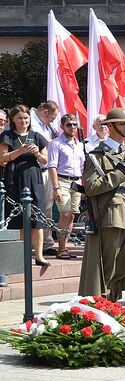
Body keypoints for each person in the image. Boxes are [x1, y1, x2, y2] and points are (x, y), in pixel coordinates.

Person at [78, 108, 125, 300]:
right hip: (111, 216)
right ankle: (103, 304)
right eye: (122, 123)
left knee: (121, 267)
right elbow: (91, 187)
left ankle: (112, 303)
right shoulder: (97, 155)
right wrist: (117, 174)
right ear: (110, 126)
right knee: (108, 266)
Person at [0, 105, 51, 266]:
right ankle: (21, 255)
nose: (23, 121)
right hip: (15, 177)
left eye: (26, 117)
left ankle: (39, 255)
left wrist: (36, 153)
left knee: (37, 218)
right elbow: (2, 158)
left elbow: (45, 160)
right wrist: (20, 151)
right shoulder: (7, 135)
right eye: (20, 118)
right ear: (13, 120)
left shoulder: (36, 136)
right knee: (17, 218)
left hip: (34, 177)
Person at [46, 113, 85, 260]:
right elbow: (52, 166)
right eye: (69, 124)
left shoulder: (80, 145)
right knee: (65, 213)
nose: (72, 127)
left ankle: (65, 248)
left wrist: (85, 186)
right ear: (62, 126)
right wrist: (56, 187)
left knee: (72, 215)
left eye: (75, 124)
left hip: (77, 182)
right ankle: (61, 249)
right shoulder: (56, 143)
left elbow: (83, 167)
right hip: (62, 180)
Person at [31, 101, 60, 257]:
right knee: (31, 205)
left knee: (47, 206)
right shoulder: (30, 121)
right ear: (44, 112)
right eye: (52, 118)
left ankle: (47, 243)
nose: (52, 121)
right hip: (32, 169)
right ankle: (29, 242)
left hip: (46, 169)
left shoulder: (47, 126)